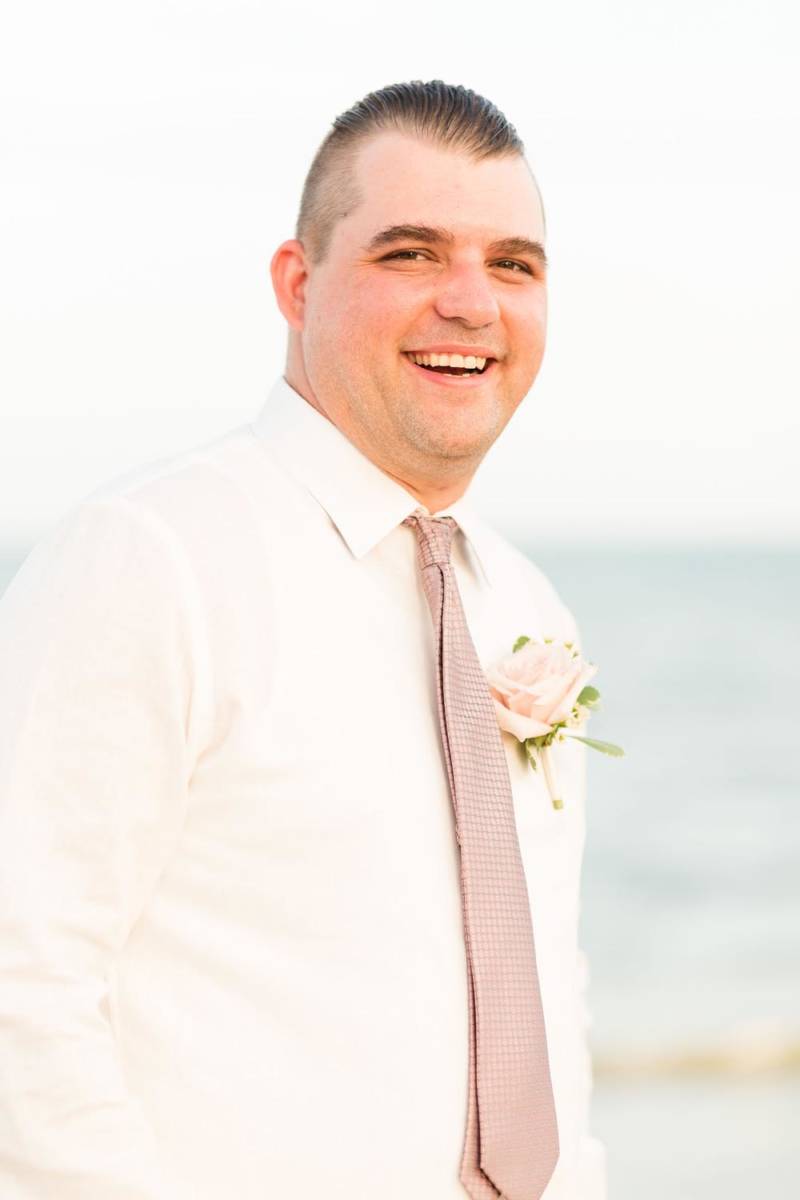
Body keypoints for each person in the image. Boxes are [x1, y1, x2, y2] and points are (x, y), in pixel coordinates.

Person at [0, 80, 607, 1199]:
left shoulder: (526, 606)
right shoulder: (148, 558)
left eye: (511, 264)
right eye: (411, 254)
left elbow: (544, 1007)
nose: (470, 303)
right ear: (297, 283)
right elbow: (20, 988)